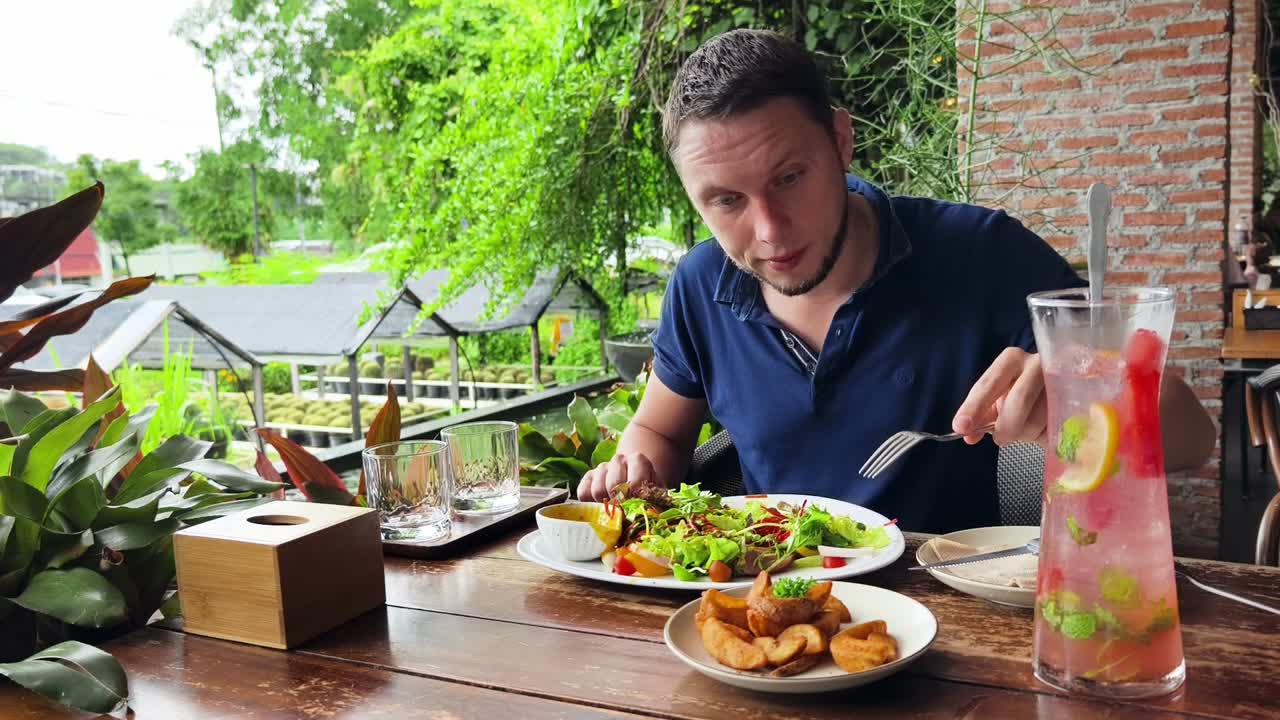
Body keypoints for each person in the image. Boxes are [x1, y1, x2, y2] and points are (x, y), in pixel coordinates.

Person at [577, 29, 1216, 532]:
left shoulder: (979, 252)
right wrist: (635, 468)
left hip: (947, 617)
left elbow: (1193, 436)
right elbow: (660, 430)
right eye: (726, 201)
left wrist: (1080, 391)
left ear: (841, 140)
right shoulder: (699, 284)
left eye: (790, 178)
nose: (768, 231)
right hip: (766, 607)